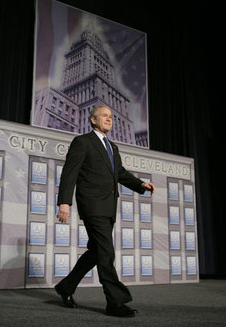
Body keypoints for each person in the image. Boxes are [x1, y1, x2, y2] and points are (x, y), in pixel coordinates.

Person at [55, 104, 155, 318]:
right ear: (93, 120)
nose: (110, 119)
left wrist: (140, 185)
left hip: (109, 207)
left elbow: (119, 173)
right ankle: (115, 302)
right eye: (104, 116)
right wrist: (64, 202)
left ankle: (66, 287)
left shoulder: (113, 147)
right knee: (106, 252)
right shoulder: (82, 142)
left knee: (96, 252)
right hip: (92, 206)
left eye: (111, 116)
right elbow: (69, 173)